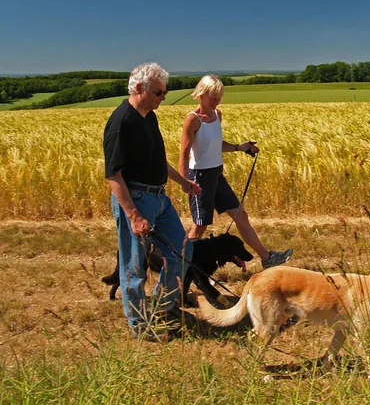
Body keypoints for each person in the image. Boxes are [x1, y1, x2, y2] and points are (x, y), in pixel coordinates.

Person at [103, 62, 201, 340]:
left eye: (164, 92)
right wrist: (134, 216)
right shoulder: (121, 121)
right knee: (134, 266)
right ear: (138, 88)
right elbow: (112, 174)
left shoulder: (149, 117)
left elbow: (158, 161)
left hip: (159, 198)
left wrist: (183, 183)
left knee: (182, 250)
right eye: (158, 93)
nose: (163, 98)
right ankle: (139, 324)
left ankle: (163, 305)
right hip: (136, 199)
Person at [178, 74, 292, 269]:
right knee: (200, 226)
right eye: (212, 96)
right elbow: (184, 153)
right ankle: (180, 266)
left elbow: (216, 145)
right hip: (199, 177)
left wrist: (241, 147)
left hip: (216, 175)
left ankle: (267, 258)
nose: (216, 100)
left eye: (219, 96)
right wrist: (185, 182)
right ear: (201, 94)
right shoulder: (192, 119)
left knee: (241, 216)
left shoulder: (217, 115)